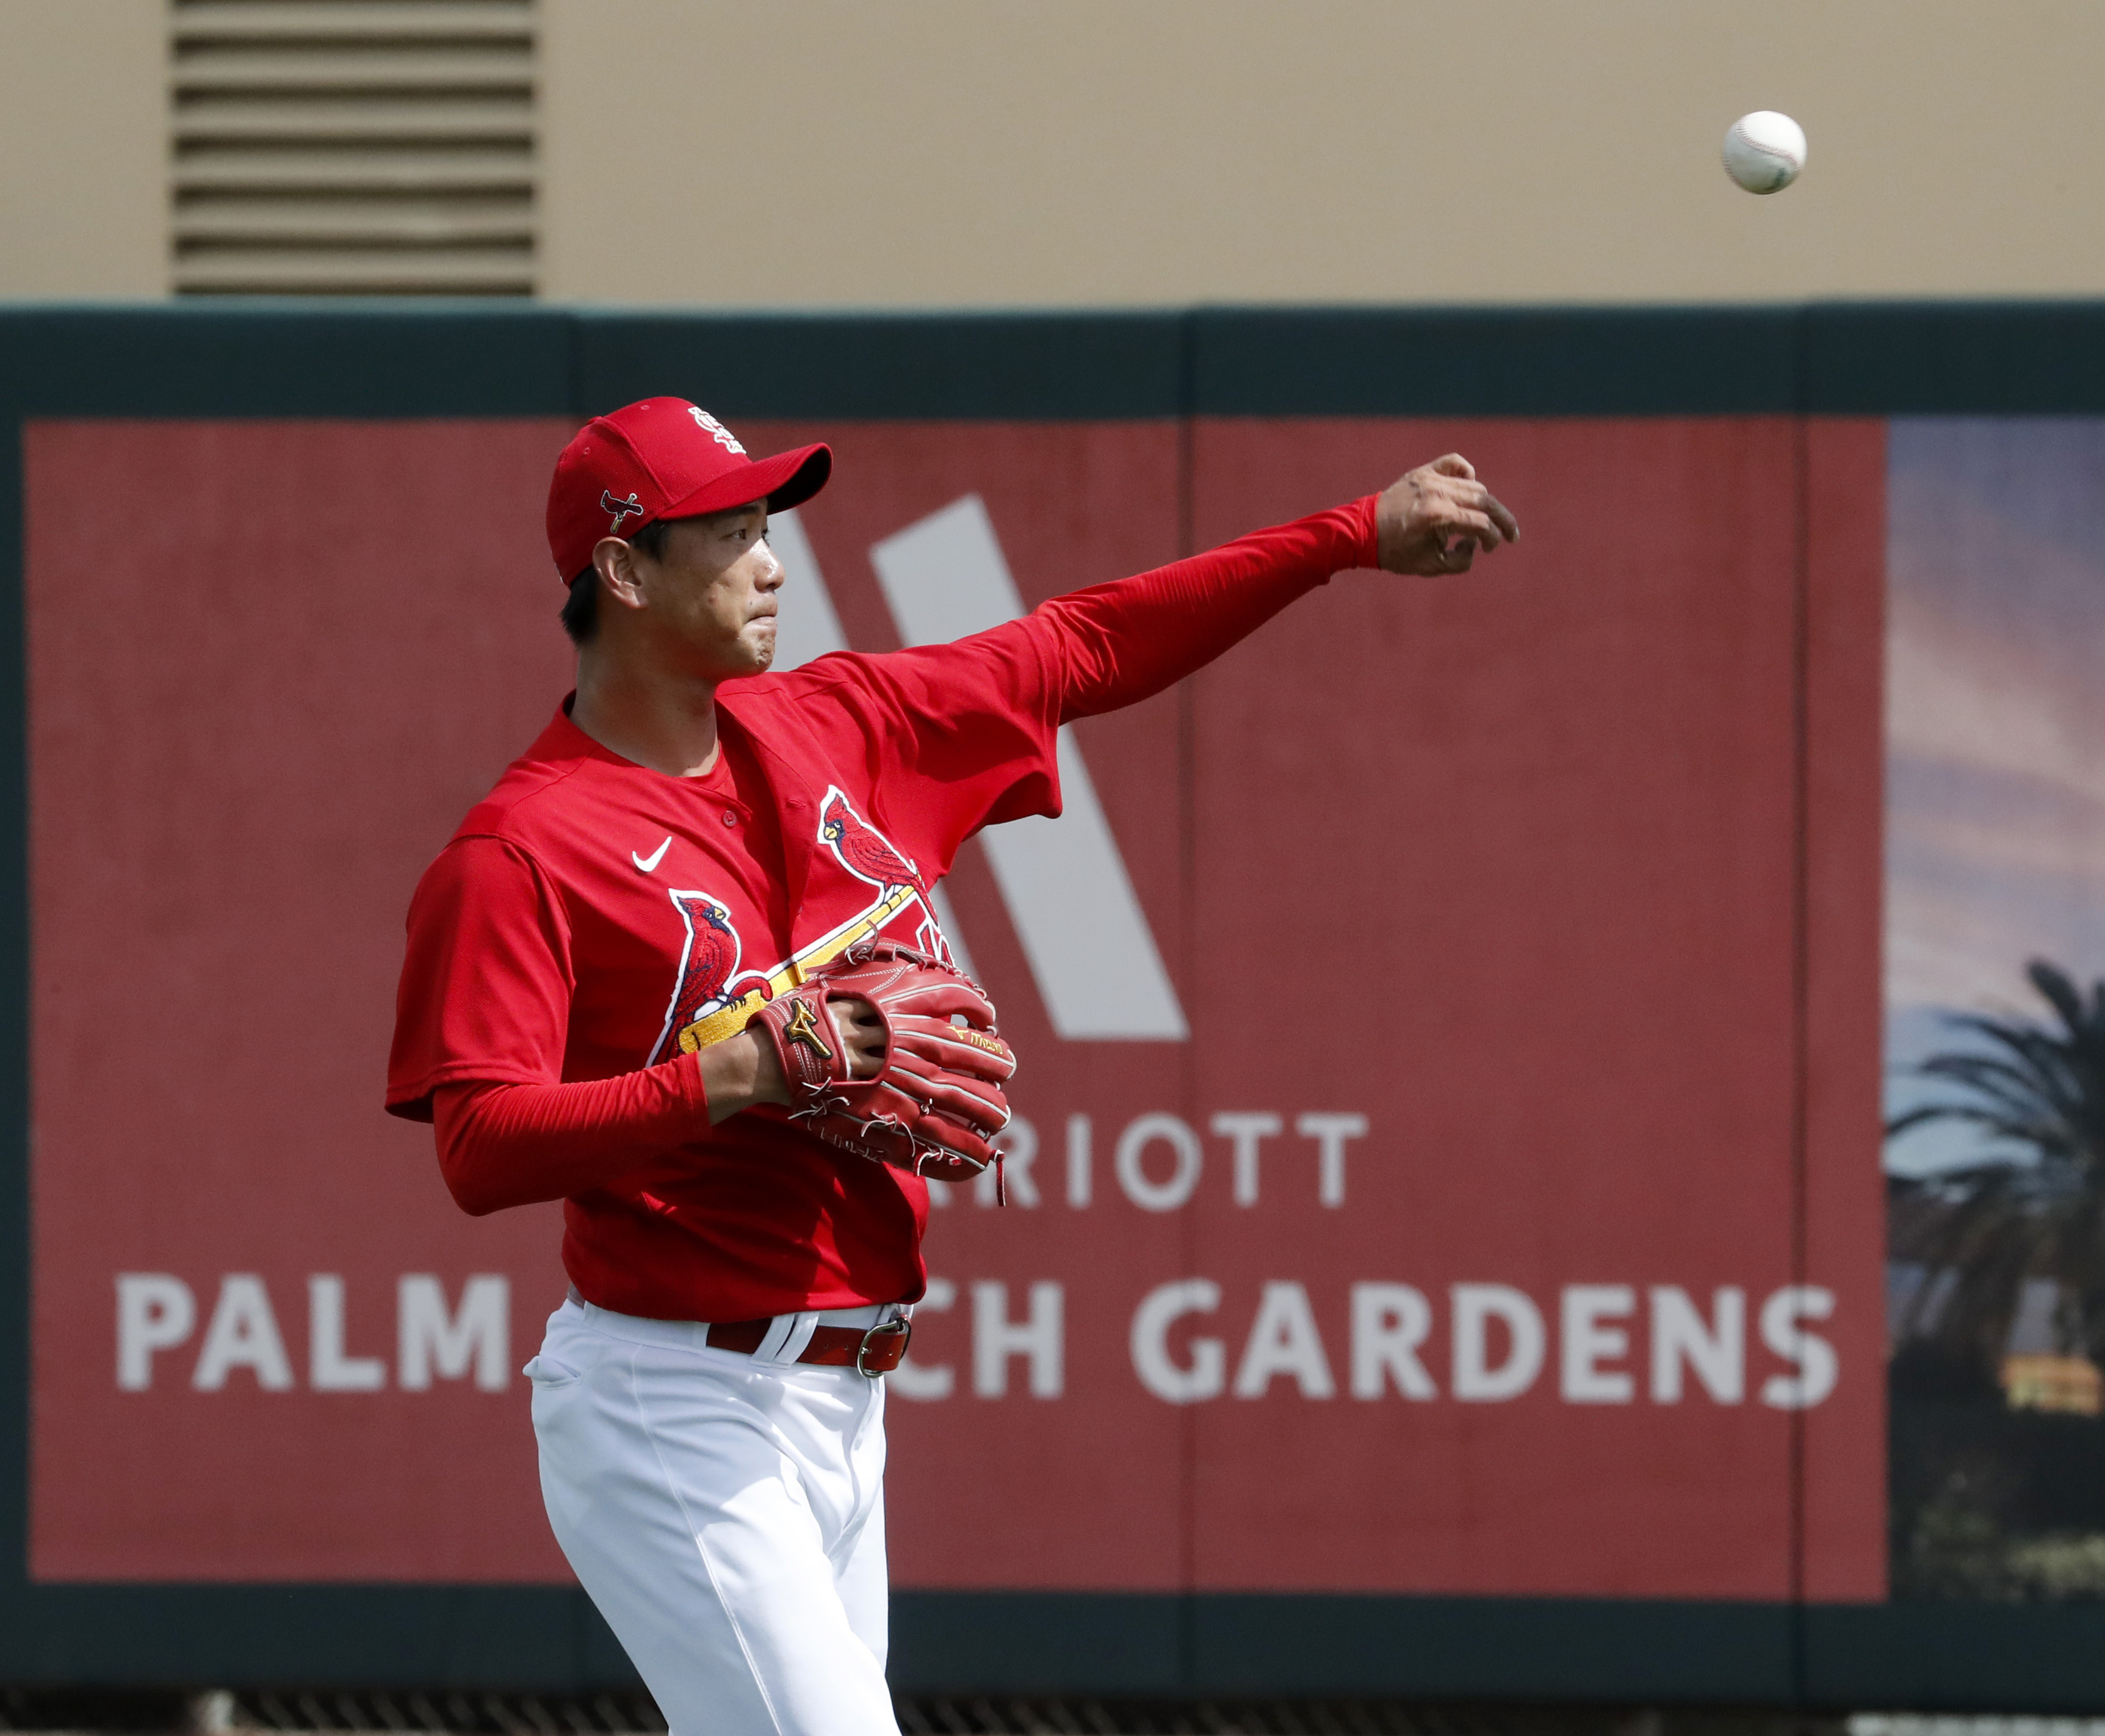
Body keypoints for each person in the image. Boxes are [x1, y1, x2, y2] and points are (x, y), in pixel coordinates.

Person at [384, 396, 1518, 1736]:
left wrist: (1346, 536)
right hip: (670, 1400)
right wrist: (745, 1072)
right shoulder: (521, 851)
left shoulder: (840, 723)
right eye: (729, 532)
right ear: (625, 573)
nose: (770, 560)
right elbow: (478, 1145)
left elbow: (1077, 647)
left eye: (767, 523)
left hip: (844, 1400)